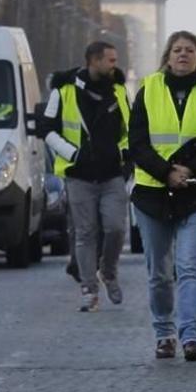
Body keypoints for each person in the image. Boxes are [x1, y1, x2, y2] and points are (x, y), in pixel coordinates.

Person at [130, 31, 196, 361]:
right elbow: (136, 143)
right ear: (168, 56)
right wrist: (167, 172)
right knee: (158, 272)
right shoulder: (147, 91)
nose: (183, 55)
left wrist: (188, 171)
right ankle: (163, 332)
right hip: (153, 194)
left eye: (190, 50)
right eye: (177, 50)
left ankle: (191, 336)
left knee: (190, 268)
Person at [43, 41, 130, 312]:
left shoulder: (119, 90)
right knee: (85, 233)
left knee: (116, 228)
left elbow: (130, 129)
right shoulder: (63, 91)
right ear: (93, 60)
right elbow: (48, 129)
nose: (115, 65)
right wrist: (73, 154)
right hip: (79, 175)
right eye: (111, 60)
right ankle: (89, 289)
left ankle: (109, 271)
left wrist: (124, 156)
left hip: (112, 174)